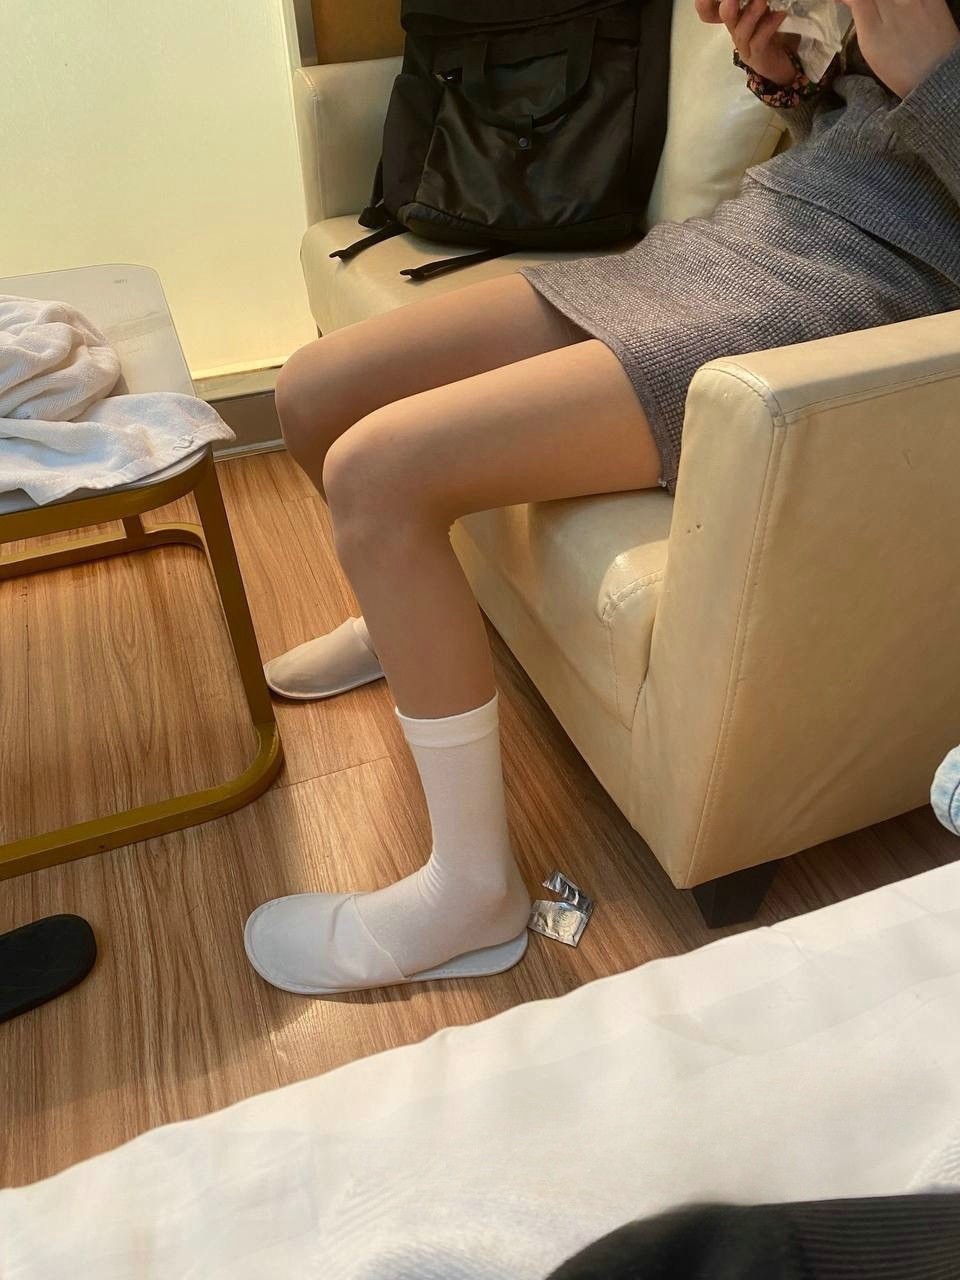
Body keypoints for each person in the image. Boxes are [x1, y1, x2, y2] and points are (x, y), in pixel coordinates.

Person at [243, 0, 960, 996]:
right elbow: (868, 145)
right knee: (313, 391)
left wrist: (936, 76)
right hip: (756, 230)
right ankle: (399, 619)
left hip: (862, 288)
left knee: (379, 472)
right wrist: (784, 76)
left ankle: (471, 895)